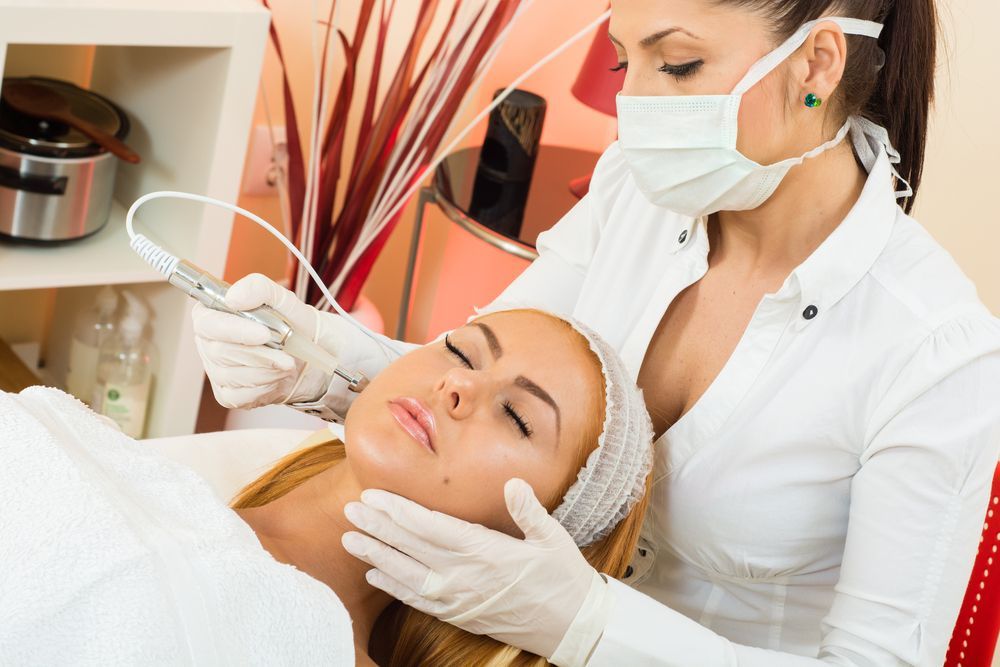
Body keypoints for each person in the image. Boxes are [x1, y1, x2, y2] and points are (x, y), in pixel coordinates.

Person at [193, 0, 1000, 664]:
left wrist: (591, 626)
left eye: (677, 65)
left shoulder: (935, 355)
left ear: (817, 65)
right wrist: (322, 361)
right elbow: (483, 379)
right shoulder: (636, 196)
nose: (634, 105)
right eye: (624, 61)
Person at [0, 309, 652, 666]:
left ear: (532, 537)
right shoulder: (119, 464)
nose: (459, 387)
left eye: (516, 416)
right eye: (460, 351)